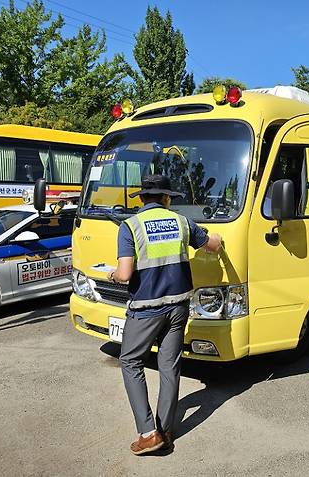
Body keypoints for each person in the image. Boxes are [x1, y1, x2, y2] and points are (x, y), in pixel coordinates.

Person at [107, 174, 222, 456]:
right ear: (166, 198)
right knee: (169, 364)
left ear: (142, 198)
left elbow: (124, 274)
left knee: (131, 361)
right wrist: (217, 237)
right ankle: (166, 429)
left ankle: (148, 434)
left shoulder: (130, 226)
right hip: (179, 306)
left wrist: (111, 274)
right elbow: (212, 245)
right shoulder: (182, 222)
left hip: (146, 309)